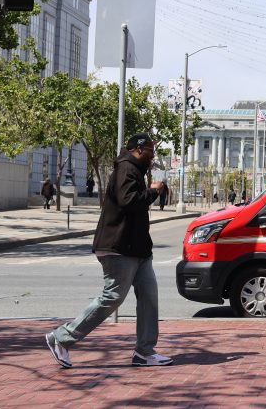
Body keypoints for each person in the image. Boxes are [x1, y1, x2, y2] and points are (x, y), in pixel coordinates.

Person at [45, 132, 172, 369]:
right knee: (112, 297)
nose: (153, 156)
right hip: (119, 248)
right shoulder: (127, 168)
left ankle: (145, 351)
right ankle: (61, 338)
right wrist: (154, 191)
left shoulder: (134, 169)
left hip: (138, 250)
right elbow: (128, 201)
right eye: (150, 152)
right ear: (139, 150)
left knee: (149, 298)